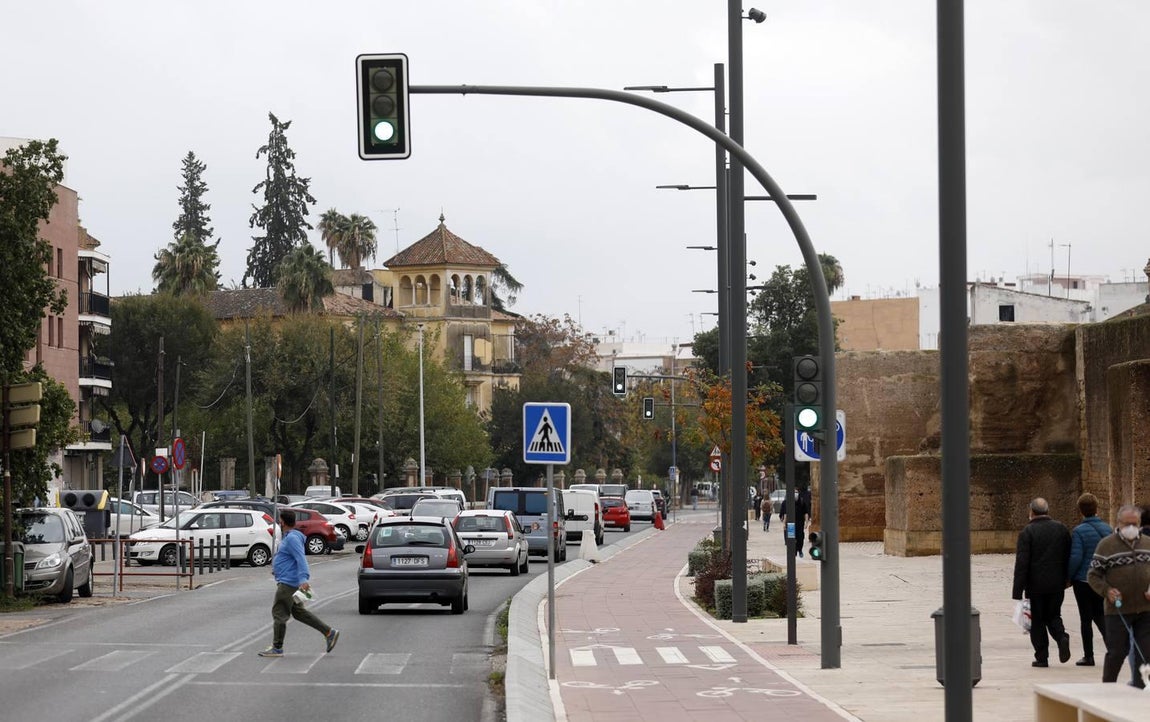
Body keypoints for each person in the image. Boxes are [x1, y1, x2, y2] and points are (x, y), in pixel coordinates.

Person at [259, 509, 340, 658]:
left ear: (282, 522)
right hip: (288, 580)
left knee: (279, 613)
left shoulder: (292, 539)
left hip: (288, 584)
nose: (279, 522)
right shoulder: (290, 537)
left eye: (279, 520)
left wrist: (304, 579)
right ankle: (329, 632)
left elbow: (300, 558)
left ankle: (277, 648)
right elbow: (289, 559)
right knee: (299, 613)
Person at [1087, 504, 1150, 687]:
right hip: (1117, 609)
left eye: (1135, 523)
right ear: (1118, 523)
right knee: (1117, 651)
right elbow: (1093, 575)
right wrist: (1107, 591)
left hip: (1145, 609)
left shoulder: (1147, 543)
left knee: (1145, 652)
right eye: (1127, 523)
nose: (1131, 527)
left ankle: (1140, 687)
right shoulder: (1106, 545)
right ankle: (1108, 686)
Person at [1012, 497, 1072, 667]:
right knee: (1054, 615)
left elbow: (1022, 563)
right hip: (1057, 583)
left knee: (1037, 621)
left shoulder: (1027, 532)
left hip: (1035, 585)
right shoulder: (1061, 529)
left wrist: (1017, 590)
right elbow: (1069, 555)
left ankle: (1042, 657)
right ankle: (1061, 637)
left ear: (1031, 512)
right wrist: (1068, 578)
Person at [1067, 493, 1112, 666]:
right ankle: (1112, 647)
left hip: (1083, 581)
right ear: (1096, 508)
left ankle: (1089, 655)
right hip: (1102, 580)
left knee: (1086, 619)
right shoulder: (1107, 529)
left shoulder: (1079, 531)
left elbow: (1076, 557)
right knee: (1100, 614)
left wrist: (1068, 577)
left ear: (1081, 510)